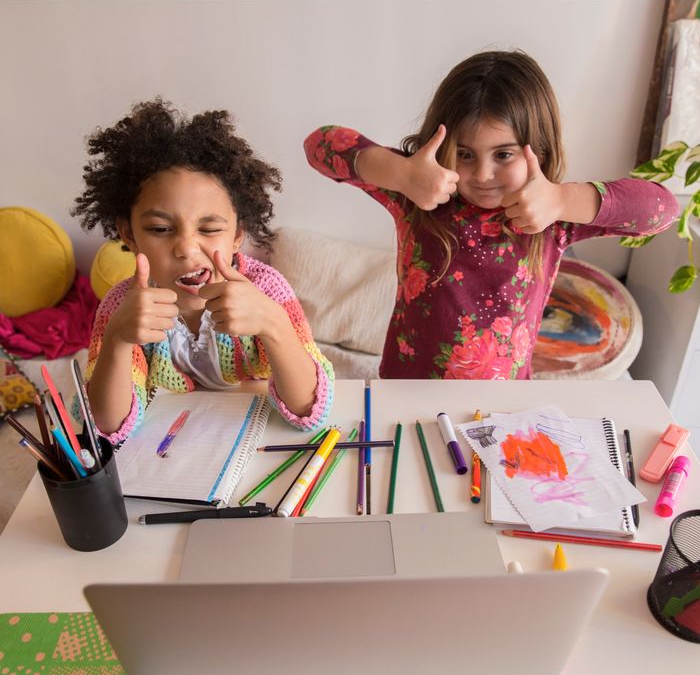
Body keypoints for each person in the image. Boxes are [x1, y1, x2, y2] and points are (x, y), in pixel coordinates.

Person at [304, 50, 679, 380]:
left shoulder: (552, 216)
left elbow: (662, 210)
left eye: (503, 154)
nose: (483, 174)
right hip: (406, 394)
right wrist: (401, 174)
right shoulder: (415, 193)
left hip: (503, 410)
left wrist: (563, 200)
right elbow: (319, 145)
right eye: (465, 154)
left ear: (541, 151)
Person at [73, 98, 333, 444]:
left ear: (238, 234)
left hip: (257, 442)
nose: (186, 248)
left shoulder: (266, 289)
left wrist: (273, 324)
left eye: (209, 229)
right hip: (171, 451)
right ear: (128, 234)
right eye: (161, 230)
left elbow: (308, 411)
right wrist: (118, 341)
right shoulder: (123, 306)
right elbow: (106, 426)